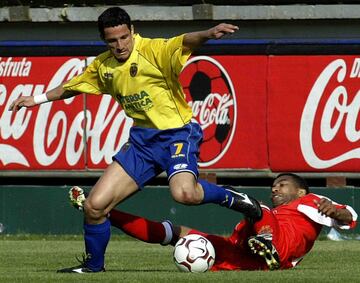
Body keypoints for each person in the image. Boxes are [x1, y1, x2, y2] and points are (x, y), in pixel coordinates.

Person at [9, 7, 263, 273]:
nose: (119, 45)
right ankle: (94, 267)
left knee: (184, 193)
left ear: (132, 31)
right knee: (94, 206)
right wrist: (35, 100)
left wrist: (208, 34)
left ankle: (234, 197)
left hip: (178, 133)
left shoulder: (153, 50)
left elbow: (184, 41)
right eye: (112, 40)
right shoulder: (104, 66)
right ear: (104, 40)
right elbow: (72, 86)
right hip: (142, 143)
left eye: (123, 37)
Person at [69, 173, 357, 271]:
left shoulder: (310, 202)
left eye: (282, 184)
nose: (275, 188)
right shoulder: (273, 207)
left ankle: (262, 235)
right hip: (250, 255)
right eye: (274, 185)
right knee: (177, 233)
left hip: (278, 245)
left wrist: (334, 210)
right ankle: (107, 213)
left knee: (258, 209)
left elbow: (351, 217)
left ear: (300, 191)